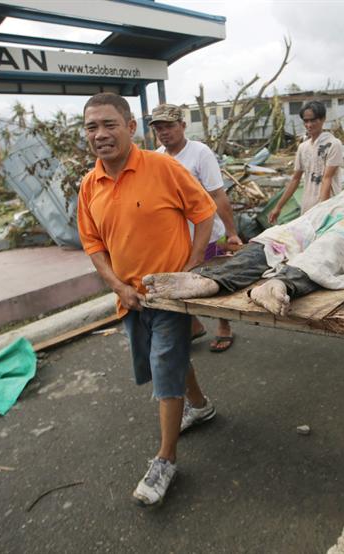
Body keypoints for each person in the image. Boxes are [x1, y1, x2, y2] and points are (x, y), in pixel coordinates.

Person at [76, 93, 218, 507]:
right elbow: (93, 244)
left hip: (168, 296)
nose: (100, 134)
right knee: (166, 359)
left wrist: (191, 265)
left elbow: (204, 211)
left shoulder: (163, 168)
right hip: (130, 299)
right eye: (91, 127)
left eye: (109, 124)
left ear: (130, 127)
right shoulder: (89, 185)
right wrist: (118, 287)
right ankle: (200, 406)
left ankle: (165, 459)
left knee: (164, 365)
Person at [142, 186, 344, 316]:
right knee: (277, 241)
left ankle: (276, 284)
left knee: (327, 245)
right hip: (327, 215)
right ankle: (213, 280)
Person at [151, 103, 242, 353]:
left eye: (169, 126)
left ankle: (224, 325)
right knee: (181, 280)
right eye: (159, 128)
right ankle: (194, 325)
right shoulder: (156, 158)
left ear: (182, 125)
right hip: (176, 236)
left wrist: (232, 233)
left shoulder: (200, 153)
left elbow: (217, 194)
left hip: (208, 233)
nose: (164, 132)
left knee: (213, 280)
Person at [268, 100, 344, 223]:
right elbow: (295, 179)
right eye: (306, 121)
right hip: (308, 206)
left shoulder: (333, 144)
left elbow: (327, 179)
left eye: (313, 120)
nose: (309, 125)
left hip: (328, 207)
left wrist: (324, 211)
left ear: (323, 119)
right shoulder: (303, 147)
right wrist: (278, 207)